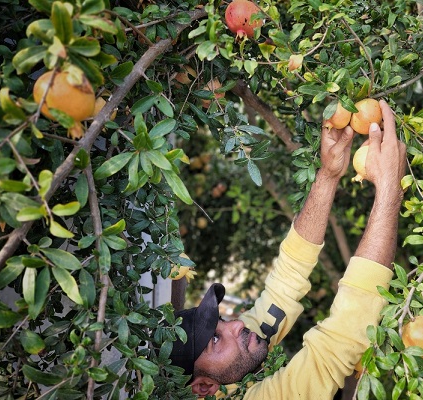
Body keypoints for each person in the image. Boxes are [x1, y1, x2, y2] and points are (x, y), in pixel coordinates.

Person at [170, 100, 407, 399]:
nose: (238, 324)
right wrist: (389, 189)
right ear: (204, 387)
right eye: (215, 339)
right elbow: (339, 343)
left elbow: (288, 278)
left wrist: (328, 174)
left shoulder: (236, 357)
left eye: (223, 322)